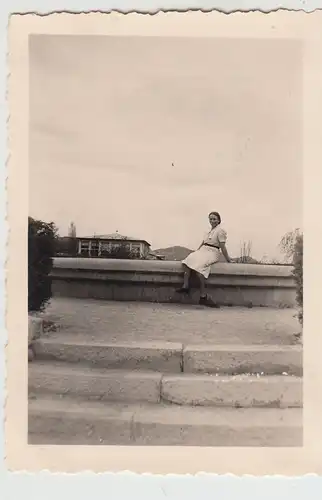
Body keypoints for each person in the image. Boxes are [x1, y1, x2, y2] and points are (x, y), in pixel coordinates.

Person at [176, 211, 231, 307]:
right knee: (187, 261)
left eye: (214, 219)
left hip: (212, 252)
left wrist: (228, 259)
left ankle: (203, 296)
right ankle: (186, 286)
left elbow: (222, 247)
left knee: (200, 269)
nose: (212, 221)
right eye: (210, 219)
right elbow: (203, 242)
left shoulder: (220, 231)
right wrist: (197, 252)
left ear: (218, 220)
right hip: (203, 250)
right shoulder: (208, 231)